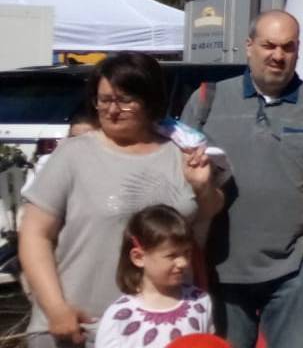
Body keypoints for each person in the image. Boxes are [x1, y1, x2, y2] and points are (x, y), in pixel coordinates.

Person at [20, 53, 219, 347]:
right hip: (79, 327)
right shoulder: (73, 155)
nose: (112, 110)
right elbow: (35, 235)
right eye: (104, 100)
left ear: (149, 101)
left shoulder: (180, 155)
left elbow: (207, 213)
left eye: (124, 100)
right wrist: (55, 308)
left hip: (161, 330)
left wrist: (203, 187)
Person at [179, 10, 303, 347]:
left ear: (298, 51)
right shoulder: (206, 100)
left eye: (288, 47)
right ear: (249, 46)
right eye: (269, 45)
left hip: (291, 270)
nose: (278, 55)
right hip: (218, 268)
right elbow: (177, 171)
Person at [96, 205, 213, 348]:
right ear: (138, 257)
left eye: (187, 253)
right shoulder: (120, 317)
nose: (183, 262)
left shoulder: (199, 302)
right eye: (172, 255)